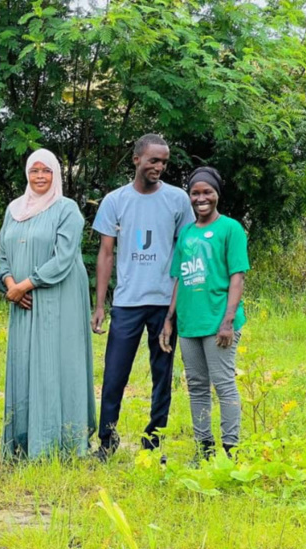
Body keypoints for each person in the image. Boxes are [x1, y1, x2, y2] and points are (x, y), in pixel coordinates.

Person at [91, 134, 195, 461]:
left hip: (165, 305)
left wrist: (176, 308)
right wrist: (100, 305)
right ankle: (106, 440)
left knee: (162, 377)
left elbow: (185, 252)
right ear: (137, 159)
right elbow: (106, 254)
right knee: (114, 375)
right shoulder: (115, 201)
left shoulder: (178, 200)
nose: (159, 167)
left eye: (164, 161)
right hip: (126, 304)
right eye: (153, 160)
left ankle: (153, 443)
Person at [0, 149, 96, 459]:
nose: (40, 176)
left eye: (47, 171)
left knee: (56, 363)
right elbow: (2, 253)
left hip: (58, 299)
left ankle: (62, 442)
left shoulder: (67, 209)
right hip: (22, 302)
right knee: (26, 362)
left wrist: (27, 283)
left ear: (56, 175)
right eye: (34, 170)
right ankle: (24, 443)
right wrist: (11, 284)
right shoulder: (14, 209)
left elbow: (64, 258)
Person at [160, 167, 249, 460]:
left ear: (217, 195)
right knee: (197, 386)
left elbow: (237, 277)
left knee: (223, 385)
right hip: (189, 323)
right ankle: (204, 448)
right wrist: (169, 320)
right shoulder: (186, 233)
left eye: (207, 192)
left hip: (218, 322)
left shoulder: (230, 229)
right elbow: (179, 279)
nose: (201, 198)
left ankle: (230, 449)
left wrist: (227, 321)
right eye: (195, 193)